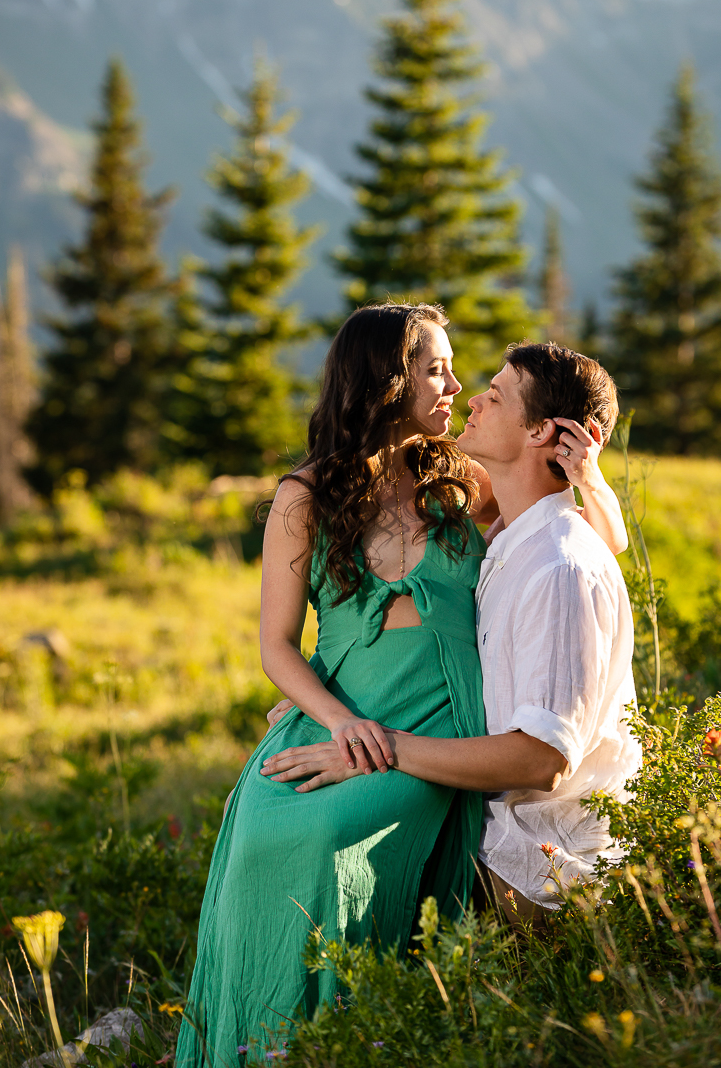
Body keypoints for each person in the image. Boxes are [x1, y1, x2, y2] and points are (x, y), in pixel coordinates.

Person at [177, 308, 626, 1064]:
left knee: (328, 840)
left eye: (455, 372)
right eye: (434, 370)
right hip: (338, 711)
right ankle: (253, 1044)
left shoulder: (464, 482)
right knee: (260, 829)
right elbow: (277, 646)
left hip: (438, 717)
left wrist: (590, 476)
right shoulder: (304, 497)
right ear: (384, 381)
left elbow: (579, 544)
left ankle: (342, 1039)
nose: (453, 386)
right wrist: (332, 720)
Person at [263, 341, 642, 925]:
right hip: (421, 745)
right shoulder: (507, 544)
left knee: (340, 851)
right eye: (439, 371)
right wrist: (326, 697)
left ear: (544, 432)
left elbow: (544, 760)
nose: (467, 396)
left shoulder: (549, 557)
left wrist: (379, 750)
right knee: (283, 832)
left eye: (492, 395)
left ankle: (345, 1010)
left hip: (528, 840)